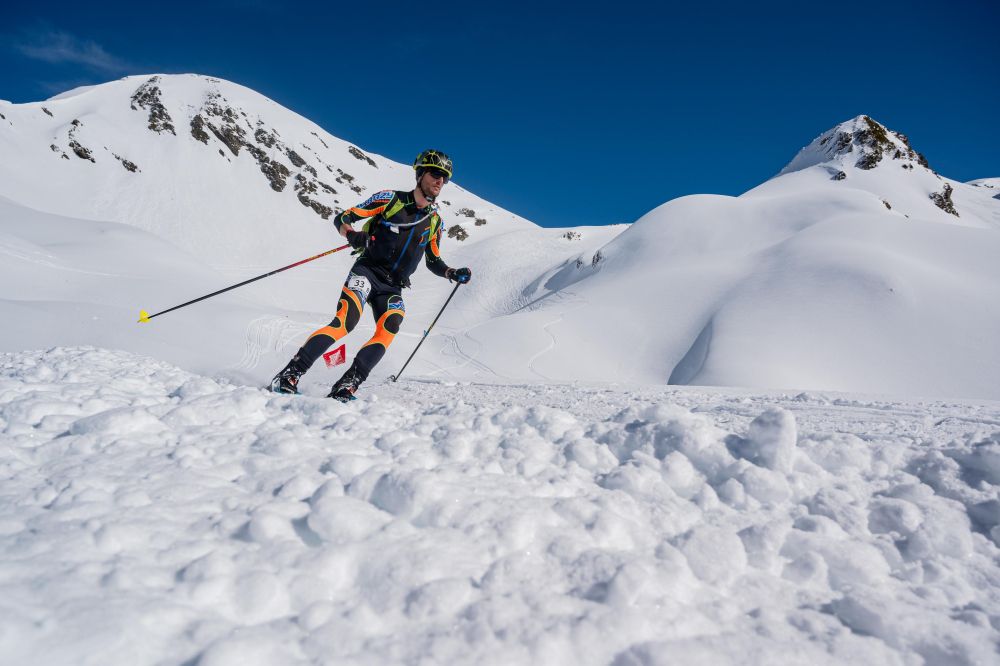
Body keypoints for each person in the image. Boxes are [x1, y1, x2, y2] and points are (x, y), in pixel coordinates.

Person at [269, 149, 472, 401]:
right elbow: (343, 217)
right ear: (420, 174)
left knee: (390, 326)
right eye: (435, 173)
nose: (440, 181)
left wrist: (451, 272)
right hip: (367, 271)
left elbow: (433, 260)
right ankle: (291, 373)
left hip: (393, 287)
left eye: (445, 177)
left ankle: (348, 384)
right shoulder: (390, 200)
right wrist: (352, 235)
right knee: (345, 322)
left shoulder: (434, 222)